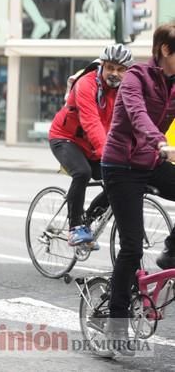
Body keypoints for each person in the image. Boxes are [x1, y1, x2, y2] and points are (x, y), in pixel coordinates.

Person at [101, 23, 175, 355]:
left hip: (150, 161)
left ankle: (171, 249)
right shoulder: (136, 78)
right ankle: (115, 329)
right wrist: (159, 142)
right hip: (120, 165)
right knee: (131, 246)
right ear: (164, 51)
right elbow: (137, 114)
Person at [48, 44, 134, 247]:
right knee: (82, 172)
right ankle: (75, 228)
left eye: (121, 69)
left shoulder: (126, 90)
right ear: (102, 65)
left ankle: (86, 222)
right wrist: (108, 154)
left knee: (121, 181)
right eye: (111, 67)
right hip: (65, 138)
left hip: (93, 146)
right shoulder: (86, 84)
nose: (115, 73)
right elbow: (91, 122)